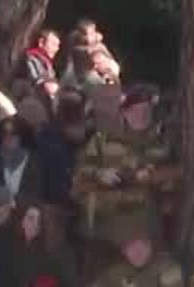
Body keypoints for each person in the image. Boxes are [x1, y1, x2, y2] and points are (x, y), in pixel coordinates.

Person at [72, 87, 178, 252]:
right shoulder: (103, 141)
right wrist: (99, 174)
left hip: (142, 232)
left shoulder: (160, 146)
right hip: (104, 231)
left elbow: (169, 192)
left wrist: (155, 178)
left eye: (146, 111)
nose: (141, 116)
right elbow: (80, 175)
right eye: (136, 111)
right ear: (124, 113)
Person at [22, 27, 62, 98]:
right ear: (41, 43)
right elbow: (42, 83)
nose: (56, 49)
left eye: (57, 46)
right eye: (53, 44)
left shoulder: (47, 63)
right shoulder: (32, 58)